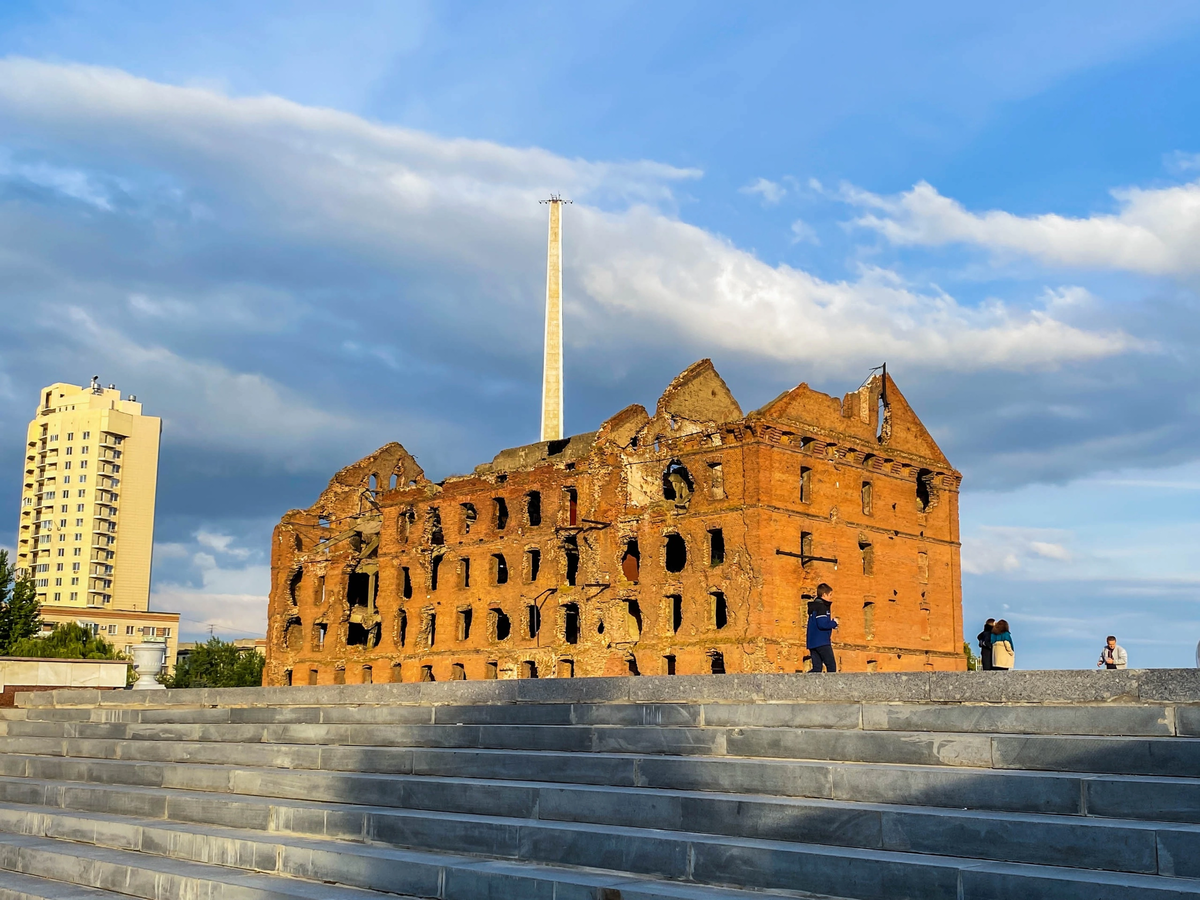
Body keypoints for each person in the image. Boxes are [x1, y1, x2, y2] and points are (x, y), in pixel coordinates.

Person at [806, 583, 839, 673]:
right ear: (824, 595)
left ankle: (803, 682)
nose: (831, 598)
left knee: (817, 668)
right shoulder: (822, 607)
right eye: (830, 595)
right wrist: (834, 623)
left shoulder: (814, 607)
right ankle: (830, 687)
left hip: (812, 642)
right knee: (831, 666)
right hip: (822, 642)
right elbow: (822, 624)